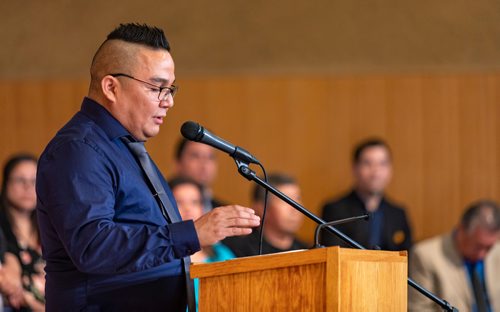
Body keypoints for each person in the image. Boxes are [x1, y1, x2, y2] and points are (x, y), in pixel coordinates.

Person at [36, 23, 260, 311]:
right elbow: (93, 246)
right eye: (157, 88)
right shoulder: (78, 150)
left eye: (171, 89)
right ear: (111, 87)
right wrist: (192, 233)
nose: (168, 102)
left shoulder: (125, 147)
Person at [320, 138, 412, 251]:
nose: (376, 172)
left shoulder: (398, 214)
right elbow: (333, 255)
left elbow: (407, 258)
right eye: (368, 163)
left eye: (382, 164)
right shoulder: (335, 210)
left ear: (390, 169)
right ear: (355, 168)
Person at [409, 200, 500, 312]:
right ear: (461, 230)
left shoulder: (497, 252)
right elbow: (419, 309)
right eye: (478, 246)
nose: (482, 255)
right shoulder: (425, 256)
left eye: (489, 248)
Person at [169, 176, 234, 310]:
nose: (188, 209)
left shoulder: (221, 253)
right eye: (179, 202)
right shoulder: (160, 256)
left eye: (194, 202)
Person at [0, 154, 45, 310]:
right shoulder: (2, 232)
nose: (28, 187)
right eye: (20, 180)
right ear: (6, 184)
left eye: (34, 181)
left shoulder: (52, 227)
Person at [224, 173, 307, 257]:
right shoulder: (239, 251)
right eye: (286, 200)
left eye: (298, 198)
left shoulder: (307, 251)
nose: (295, 208)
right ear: (261, 208)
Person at [175, 138, 225, 212]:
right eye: (195, 156)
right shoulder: (161, 206)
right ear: (178, 163)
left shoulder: (224, 213)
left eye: (210, 157)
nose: (204, 164)